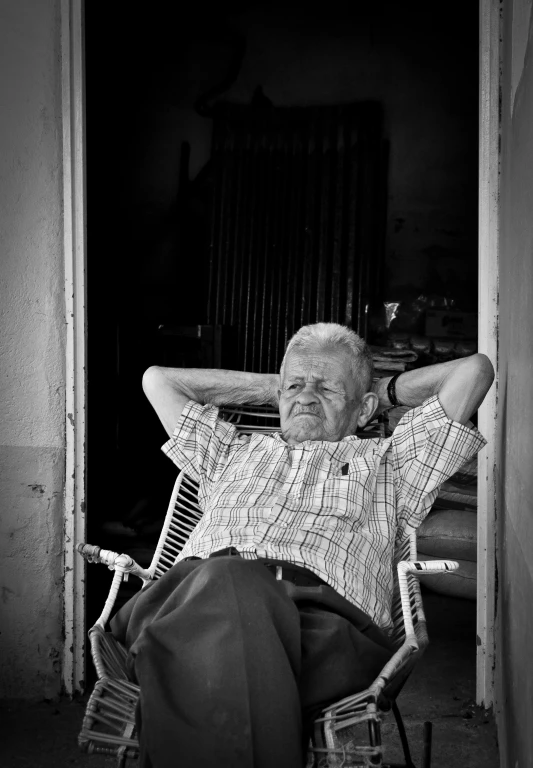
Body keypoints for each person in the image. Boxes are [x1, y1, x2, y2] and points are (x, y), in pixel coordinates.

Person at [111, 322, 494, 768]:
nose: (306, 397)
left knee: (216, 622)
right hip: (189, 602)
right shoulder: (229, 452)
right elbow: (158, 379)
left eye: (328, 390)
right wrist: (281, 386)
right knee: (227, 581)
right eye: (295, 386)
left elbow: (475, 370)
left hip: (322, 630)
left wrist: (381, 390)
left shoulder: (394, 462)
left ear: (363, 407)